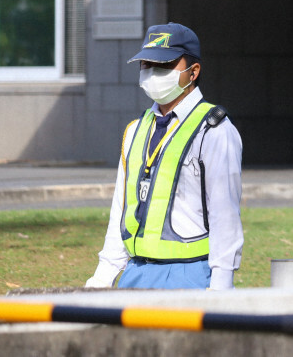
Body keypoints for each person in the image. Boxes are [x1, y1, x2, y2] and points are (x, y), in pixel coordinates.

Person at [86, 22, 243, 290]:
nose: (152, 73)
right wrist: (102, 277)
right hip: (134, 273)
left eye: (164, 65)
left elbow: (224, 215)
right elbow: (120, 211)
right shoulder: (135, 130)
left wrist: (221, 287)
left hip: (190, 273)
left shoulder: (214, 130)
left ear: (193, 72)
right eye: (146, 65)